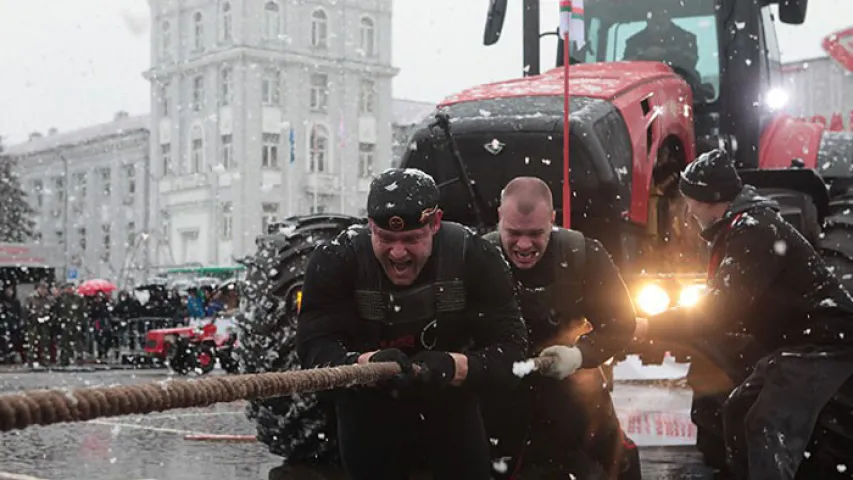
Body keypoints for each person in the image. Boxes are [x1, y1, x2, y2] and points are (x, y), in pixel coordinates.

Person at [296, 168, 529, 480]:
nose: (398, 253)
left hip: (451, 409)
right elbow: (314, 350)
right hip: (368, 413)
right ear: (369, 226)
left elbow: (513, 354)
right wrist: (366, 365)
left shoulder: (474, 256)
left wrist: (453, 366)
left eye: (411, 239)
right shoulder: (336, 260)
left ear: (435, 224)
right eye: (386, 238)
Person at [636, 149, 853, 479]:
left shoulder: (754, 231)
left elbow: (719, 310)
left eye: (690, 199)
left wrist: (651, 325)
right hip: (794, 342)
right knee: (740, 409)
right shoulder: (739, 228)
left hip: (823, 341)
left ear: (711, 198)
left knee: (768, 422)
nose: (688, 210)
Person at [481, 177, 641, 479]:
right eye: (514, 233)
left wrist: (579, 355)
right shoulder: (477, 258)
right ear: (499, 218)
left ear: (552, 219)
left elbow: (620, 322)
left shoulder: (583, 255)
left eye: (535, 234)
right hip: (498, 406)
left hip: (575, 405)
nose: (524, 245)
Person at [623, 9, 698, 71]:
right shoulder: (634, 42)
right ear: (647, 19)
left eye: (663, 15)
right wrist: (643, 56)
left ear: (669, 17)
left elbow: (691, 61)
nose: (658, 20)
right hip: (640, 83)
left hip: (681, 83)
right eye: (654, 16)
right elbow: (625, 66)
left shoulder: (686, 39)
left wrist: (666, 53)